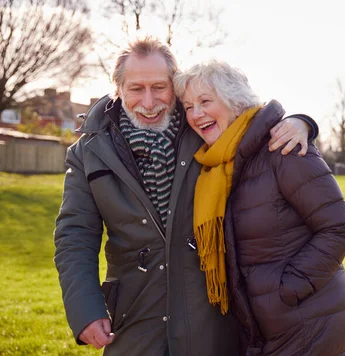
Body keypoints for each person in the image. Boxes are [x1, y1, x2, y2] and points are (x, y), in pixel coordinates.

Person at [53, 37, 319, 356]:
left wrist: (300, 122)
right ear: (118, 89)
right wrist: (85, 310)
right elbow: (75, 235)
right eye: (137, 89)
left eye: (159, 87)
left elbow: (254, 118)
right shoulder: (88, 152)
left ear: (176, 87)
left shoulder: (205, 126)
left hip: (211, 314)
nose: (149, 102)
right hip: (134, 315)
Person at [174, 60, 345, 355]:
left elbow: (338, 227)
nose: (196, 114)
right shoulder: (217, 163)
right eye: (188, 106)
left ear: (235, 101)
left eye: (206, 101)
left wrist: (286, 291)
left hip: (309, 325)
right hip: (258, 328)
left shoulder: (282, 148)